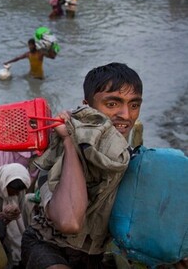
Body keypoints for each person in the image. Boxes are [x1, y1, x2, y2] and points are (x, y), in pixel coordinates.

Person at [20, 63, 144, 268]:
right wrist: (69, 141)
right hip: (48, 246)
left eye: (134, 105)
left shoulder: (130, 158)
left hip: (96, 256)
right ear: (88, 107)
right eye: (112, 104)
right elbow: (69, 222)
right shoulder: (58, 150)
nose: (126, 115)